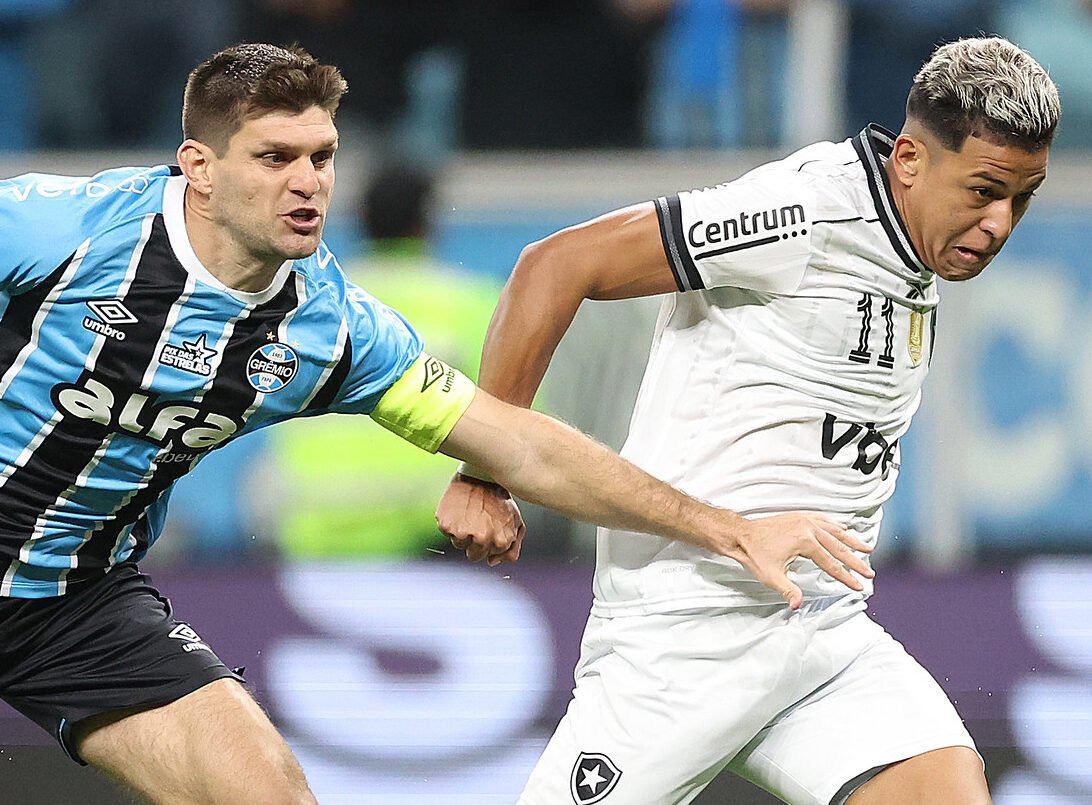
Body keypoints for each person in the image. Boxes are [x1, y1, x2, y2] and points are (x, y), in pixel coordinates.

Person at [0, 43, 872, 804]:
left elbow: (522, 444)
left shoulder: (331, 330)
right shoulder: (66, 229)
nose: (307, 182)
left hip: (72, 602)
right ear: (199, 165)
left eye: (322, 156)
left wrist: (727, 528)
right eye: (274, 157)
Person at [437, 36, 1059, 805]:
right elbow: (556, 264)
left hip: (822, 631)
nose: (1000, 223)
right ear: (908, 160)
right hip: (687, 631)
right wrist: (486, 467)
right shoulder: (806, 213)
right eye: (984, 190)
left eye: (1021, 199)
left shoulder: (913, 253)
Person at [269, 162, 503, 558]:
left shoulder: (306, 301)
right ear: (428, 221)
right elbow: (514, 425)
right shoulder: (471, 302)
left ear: (360, 219)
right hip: (432, 539)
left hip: (313, 534)